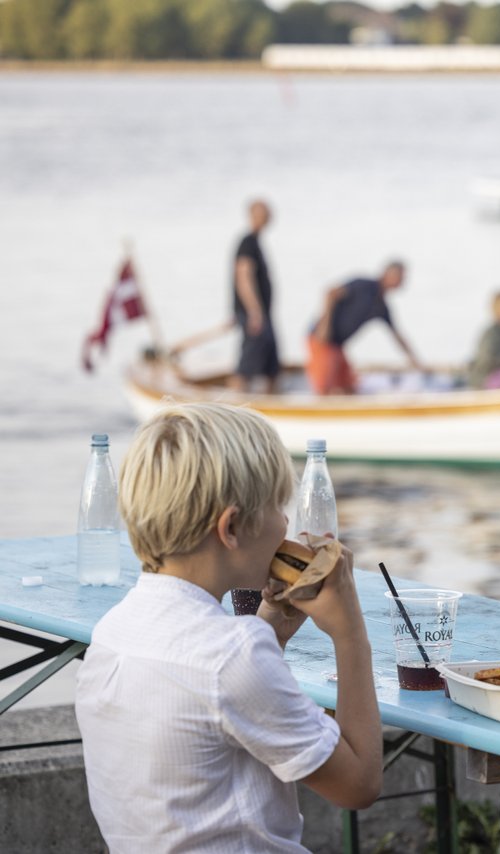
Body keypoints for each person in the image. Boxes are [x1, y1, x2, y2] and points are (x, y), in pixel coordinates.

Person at [75, 403, 382, 852]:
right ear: (233, 526)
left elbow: (214, 696)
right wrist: (350, 634)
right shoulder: (234, 655)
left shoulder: (113, 631)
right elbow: (359, 786)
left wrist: (271, 629)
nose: (287, 525)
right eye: (280, 507)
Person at [307, 260, 423, 395]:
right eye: (400, 277)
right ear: (388, 274)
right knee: (324, 388)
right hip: (321, 340)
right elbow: (330, 293)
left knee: (349, 387)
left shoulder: (381, 307)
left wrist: (413, 360)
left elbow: (397, 335)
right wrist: (324, 326)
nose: (402, 282)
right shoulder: (363, 286)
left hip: (337, 346)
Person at [231, 198, 280, 392]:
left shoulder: (256, 242)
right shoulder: (247, 243)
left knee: (271, 365)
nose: (267, 217)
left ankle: (273, 405)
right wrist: (254, 312)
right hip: (255, 316)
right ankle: (234, 406)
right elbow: (243, 277)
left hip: (263, 315)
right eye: (263, 213)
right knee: (247, 366)